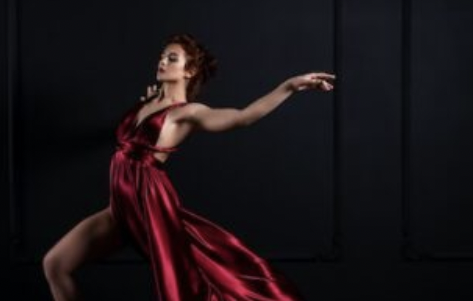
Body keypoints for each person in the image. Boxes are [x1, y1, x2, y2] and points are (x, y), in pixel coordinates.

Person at [42, 33, 335, 301]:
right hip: (120, 211)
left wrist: (289, 86)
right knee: (55, 264)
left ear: (189, 71)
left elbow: (243, 116)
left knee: (188, 287)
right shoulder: (148, 102)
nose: (162, 61)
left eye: (172, 58)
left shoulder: (187, 113)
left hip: (149, 208)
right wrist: (148, 103)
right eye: (162, 56)